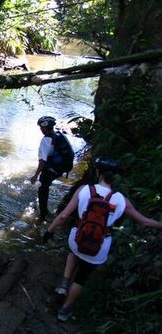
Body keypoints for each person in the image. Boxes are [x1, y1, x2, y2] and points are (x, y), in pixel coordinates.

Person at [42, 157, 162, 322]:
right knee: (82, 278)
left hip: (77, 242)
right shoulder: (121, 199)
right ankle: (64, 311)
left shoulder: (85, 190)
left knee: (73, 251)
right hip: (99, 248)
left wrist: (49, 231)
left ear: (98, 173)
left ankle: (63, 284)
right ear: (115, 178)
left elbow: (64, 216)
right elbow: (144, 221)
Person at [30, 116, 74, 221]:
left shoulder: (45, 140)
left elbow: (43, 161)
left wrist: (36, 175)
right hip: (65, 167)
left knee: (43, 188)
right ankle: (45, 212)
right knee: (46, 183)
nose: (40, 129)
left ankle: (43, 215)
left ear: (45, 127)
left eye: (41, 127)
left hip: (54, 167)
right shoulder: (59, 135)